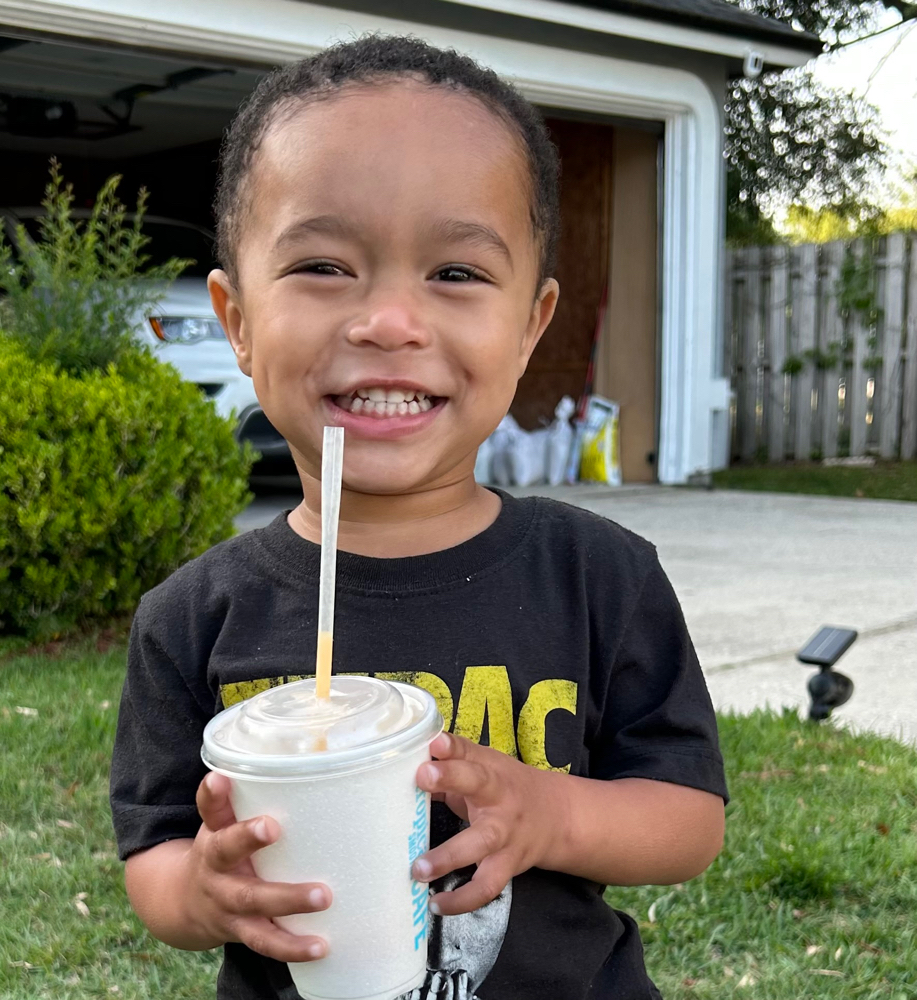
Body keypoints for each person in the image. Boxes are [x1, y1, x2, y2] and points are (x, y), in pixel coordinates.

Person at [110, 34, 727, 1000]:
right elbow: (153, 854)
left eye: (455, 274)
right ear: (236, 321)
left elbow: (689, 819)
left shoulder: (599, 576)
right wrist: (201, 889)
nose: (390, 321)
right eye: (321, 264)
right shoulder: (192, 616)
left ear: (529, 325)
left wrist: (550, 815)